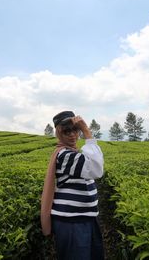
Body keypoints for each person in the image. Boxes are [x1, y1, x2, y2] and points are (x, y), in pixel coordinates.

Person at [41, 111, 105, 260]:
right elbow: (96, 169)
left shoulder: (73, 152)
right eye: (66, 131)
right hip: (72, 223)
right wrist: (86, 131)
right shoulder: (65, 155)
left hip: (84, 219)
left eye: (75, 129)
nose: (72, 134)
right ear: (58, 133)